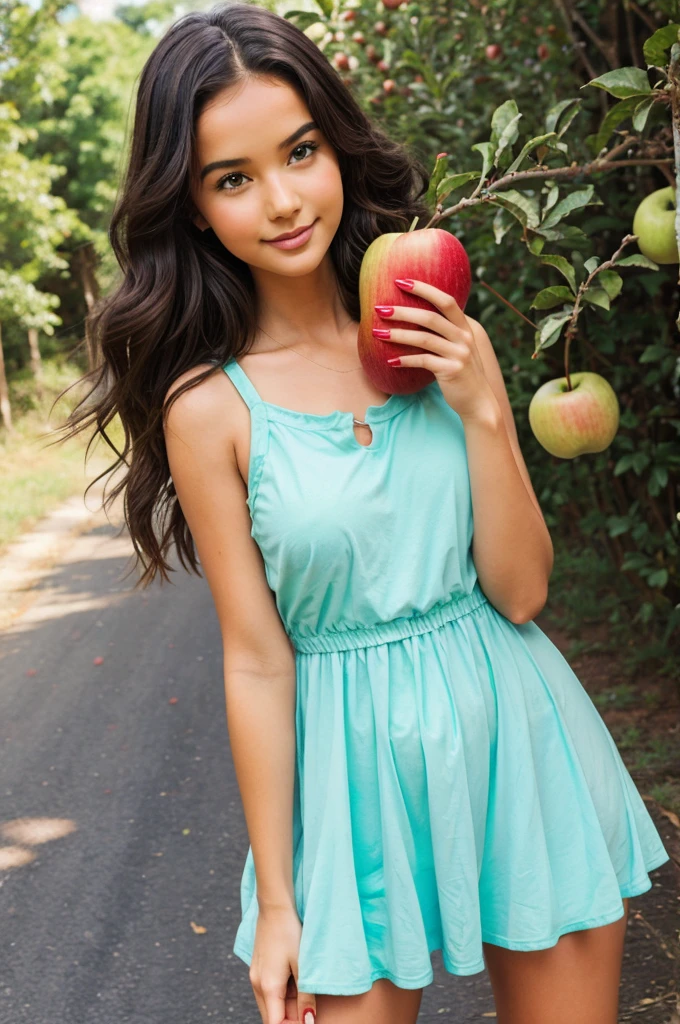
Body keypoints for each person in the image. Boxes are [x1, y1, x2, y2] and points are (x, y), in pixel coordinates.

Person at [60, 3, 671, 1022]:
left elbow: (519, 592)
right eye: (233, 177)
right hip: (344, 793)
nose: (285, 199)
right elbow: (255, 657)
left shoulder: (427, 328)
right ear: (194, 206)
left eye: (300, 151)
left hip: (516, 747)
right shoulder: (209, 409)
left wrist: (484, 408)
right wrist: (278, 902)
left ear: (334, 143)